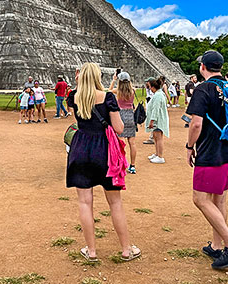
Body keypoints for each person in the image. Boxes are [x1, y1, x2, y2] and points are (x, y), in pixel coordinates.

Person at [66, 62, 141, 262]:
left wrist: (78, 82)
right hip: (104, 151)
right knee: (115, 203)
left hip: (81, 148)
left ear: (80, 76)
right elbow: (118, 128)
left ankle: (91, 251)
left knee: (84, 202)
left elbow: (78, 118)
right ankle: (126, 249)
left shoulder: (74, 96)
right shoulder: (107, 97)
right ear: (98, 76)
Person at [186, 50, 228, 269]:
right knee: (219, 198)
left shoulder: (203, 89)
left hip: (211, 152)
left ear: (203, 67)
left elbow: (195, 124)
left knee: (200, 199)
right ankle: (216, 245)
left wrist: (189, 146)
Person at [109, 72, 138, 174]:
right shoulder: (133, 90)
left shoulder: (118, 91)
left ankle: (121, 164)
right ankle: (133, 165)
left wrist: (113, 80)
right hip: (130, 115)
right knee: (132, 143)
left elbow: (109, 91)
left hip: (120, 115)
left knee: (121, 142)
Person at [146, 77, 169, 164]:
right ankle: (157, 153)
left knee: (158, 138)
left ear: (152, 87)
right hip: (158, 119)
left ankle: (160, 156)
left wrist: (152, 120)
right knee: (156, 137)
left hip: (158, 120)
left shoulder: (158, 95)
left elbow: (156, 109)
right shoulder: (158, 94)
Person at [143, 78, 155, 144]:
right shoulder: (148, 89)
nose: (146, 83)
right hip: (149, 107)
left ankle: (152, 137)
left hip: (152, 108)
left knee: (152, 122)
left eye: (147, 82)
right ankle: (152, 136)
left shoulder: (153, 90)